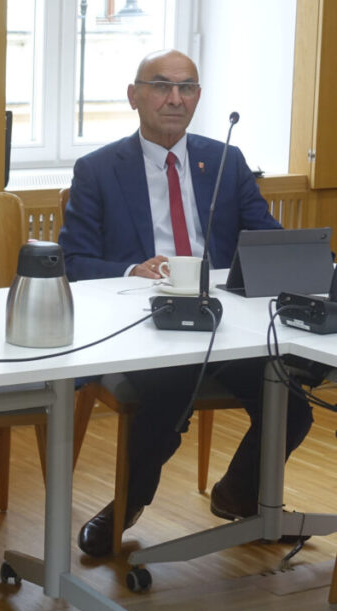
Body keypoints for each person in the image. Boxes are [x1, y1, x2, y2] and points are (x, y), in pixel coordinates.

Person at [58, 49, 314, 557]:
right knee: (172, 387)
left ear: (198, 97)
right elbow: (75, 260)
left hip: (227, 325)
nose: (175, 99)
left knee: (291, 403)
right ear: (134, 96)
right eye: (161, 86)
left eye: (187, 88)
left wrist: (308, 260)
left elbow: (265, 237)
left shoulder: (225, 161)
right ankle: (127, 504)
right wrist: (132, 270)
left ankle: (240, 493)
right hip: (142, 327)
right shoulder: (98, 170)